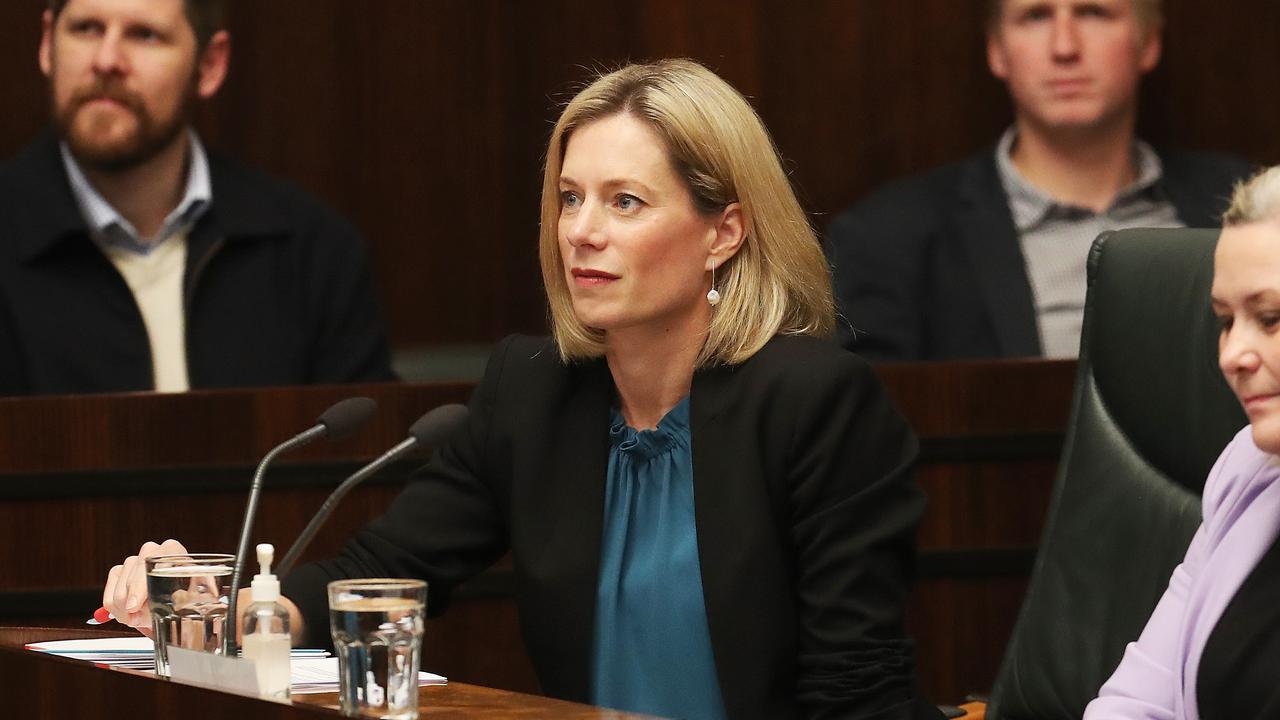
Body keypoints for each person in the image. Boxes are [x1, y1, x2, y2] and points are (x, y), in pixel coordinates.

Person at [103, 59, 942, 719]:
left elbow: (856, 692)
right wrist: (228, 610)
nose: (581, 231)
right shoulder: (536, 392)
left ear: (724, 231)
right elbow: (383, 573)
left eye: (625, 202)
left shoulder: (815, 404)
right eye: (570, 198)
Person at [0, 0, 394, 395]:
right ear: (47, 42)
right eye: (86, 28)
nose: (107, 60)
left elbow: (369, 450)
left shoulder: (312, 253)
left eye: (145, 35)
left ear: (210, 65)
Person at [826, 0, 1250, 361]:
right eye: (1035, 16)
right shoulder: (888, 239)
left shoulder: (1251, 206)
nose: (1064, 47)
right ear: (997, 51)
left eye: (1093, 13)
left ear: (1148, 42)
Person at [1083, 166, 1280, 719]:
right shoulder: (1249, 467)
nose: (1232, 354)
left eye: (1270, 318)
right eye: (1224, 320)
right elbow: (1138, 702)